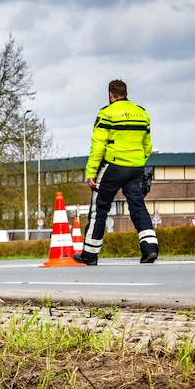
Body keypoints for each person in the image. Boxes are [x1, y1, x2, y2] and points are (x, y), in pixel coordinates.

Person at [75, 79, 157, 265]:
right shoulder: (142, 114)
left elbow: (98, 146)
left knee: (99, 207)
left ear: (110, 95)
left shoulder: (106, 114)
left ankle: (90, 254)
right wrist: (138, 161)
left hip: (113, 166)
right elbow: (148, 145)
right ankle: (150, 248)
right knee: (137, 205)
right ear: (126, 94)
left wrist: (91, 172)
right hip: (136, 167)